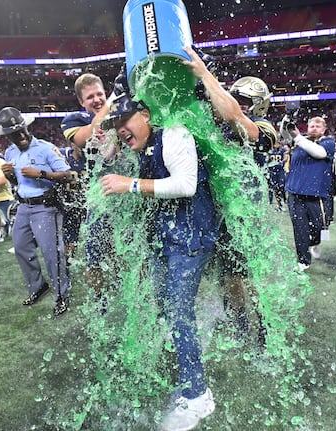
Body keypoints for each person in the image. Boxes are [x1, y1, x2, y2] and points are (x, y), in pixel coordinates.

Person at [100, 94, 219, 431]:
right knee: (165, 305)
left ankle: (198, 395)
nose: (121, 130)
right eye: (116, 126)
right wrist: (112, 150)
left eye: (124, 122)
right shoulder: (144, 142)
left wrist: (130, 185)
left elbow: (186, 184)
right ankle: (182, 348)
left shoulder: (174, 133)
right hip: (166, 237)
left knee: (180, 311)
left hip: (190, 237)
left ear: (145, 114)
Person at [183, 46, 277, 341]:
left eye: (248, 101)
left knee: (246, 273)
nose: (241, 104)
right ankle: (238, 316)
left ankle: (261, 322)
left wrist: (205, 74)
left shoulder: (263, 127)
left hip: (243, 213)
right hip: (217, 209)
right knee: (227, 275)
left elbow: (242, 126)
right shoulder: (219, 119)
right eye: (239, 98)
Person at [0, 107, 73, 316]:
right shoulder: (10, 153)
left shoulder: (46, 148)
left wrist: (41, 173)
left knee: (52, 254)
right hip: (23, 206)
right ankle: (38, 286)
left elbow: (68, 175)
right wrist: (10, 175)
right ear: (7, 136)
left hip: (45, 208)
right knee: (21, 248)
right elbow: (16, 182)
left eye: (22, 130)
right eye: (14, 134)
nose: (20, 136)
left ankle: (62, 296)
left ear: (27, 127)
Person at [60, 72, 115, 311]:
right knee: (93, 254)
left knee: (135, 251)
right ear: (81, 102)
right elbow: (87, 135)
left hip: (127, 190)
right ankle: (99, 301)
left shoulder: (122, 109)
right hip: (99, 196)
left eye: (100, 94)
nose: (96, 99)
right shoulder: (74, 120)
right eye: (89, 97)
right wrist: (114, 102)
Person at [282, 116, 336, 271]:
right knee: (299, 228)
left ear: (324, 129)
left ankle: (315, 242)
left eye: (318, 125)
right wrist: (287, 119)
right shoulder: (299, 141)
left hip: (316, 194)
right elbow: (285, 134)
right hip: (295, 192)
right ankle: (303, 260)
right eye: (312, 125)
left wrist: (297, 137)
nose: (314, 127)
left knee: (320, 226)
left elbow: (319, 153)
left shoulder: (328, 142)